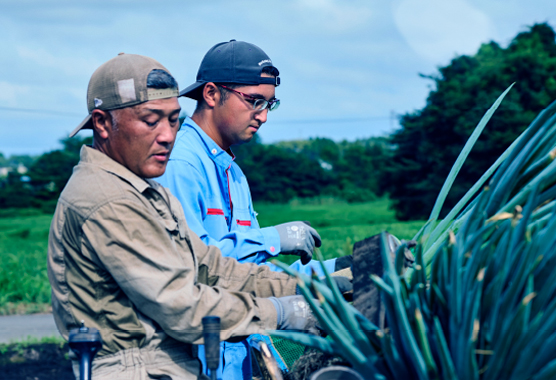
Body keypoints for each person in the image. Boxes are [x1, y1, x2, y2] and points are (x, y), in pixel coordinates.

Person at [47, 53, 325, 380]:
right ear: (102, 124)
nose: (167, 135)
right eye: (151, 120)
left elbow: (213, 269)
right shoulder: (107, 200)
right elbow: (183, 306)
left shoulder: (147, 193)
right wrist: (282, 312)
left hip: (172, 363)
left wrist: (312, 286)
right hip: (137, 368)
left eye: (173, 119)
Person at [156, 40, 353, 379]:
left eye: (270, 104)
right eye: (254, 101)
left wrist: (340, 270)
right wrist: (273, 239)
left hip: (240, 351)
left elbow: (251, 276)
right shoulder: (180, 164)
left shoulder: (233, 172)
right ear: (212, 94)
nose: (262, 115)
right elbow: (194, 267)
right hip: (200, 357)